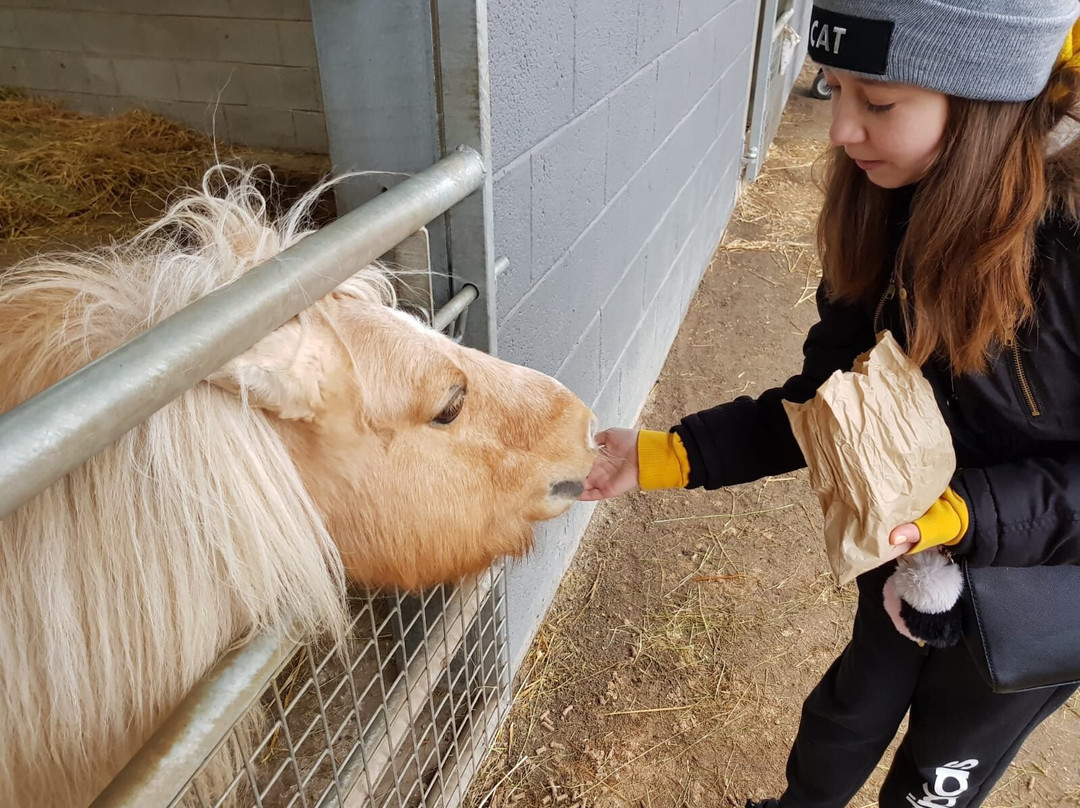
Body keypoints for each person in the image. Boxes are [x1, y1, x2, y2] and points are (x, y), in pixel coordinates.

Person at [581, 1, 1080, 806]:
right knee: (852, 707)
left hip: (1033, 578)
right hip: (906, 544)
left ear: (988, 97)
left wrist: (965, 517)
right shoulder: (889, 203)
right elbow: (828, 404)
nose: (841, 129)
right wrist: (670, 456)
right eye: (836, 88)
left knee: (947, 760)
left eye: (877, 102)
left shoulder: (1068, 249)